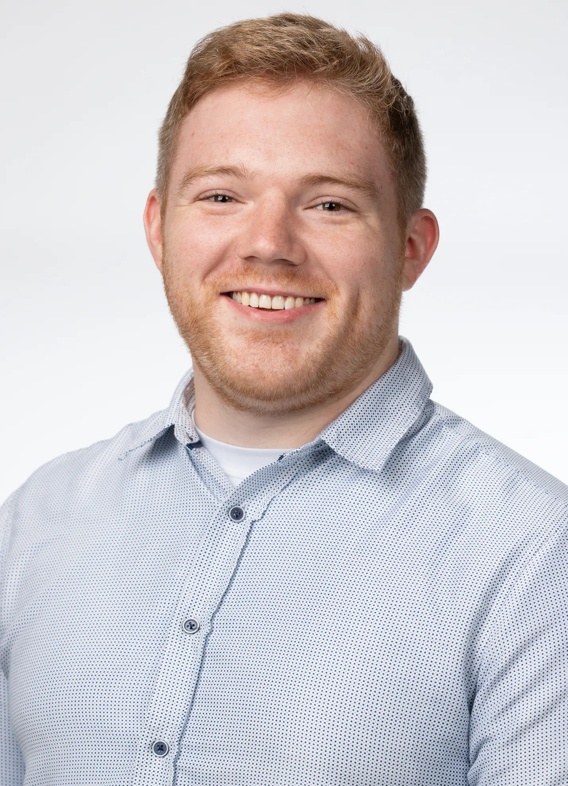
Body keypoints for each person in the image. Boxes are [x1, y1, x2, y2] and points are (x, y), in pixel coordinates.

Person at [1, 12, 567, 785]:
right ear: (159, 229)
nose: (267, 243)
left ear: (411, 247)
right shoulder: (38, 522)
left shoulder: (534, 557)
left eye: (329, 204)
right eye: (222, 196)